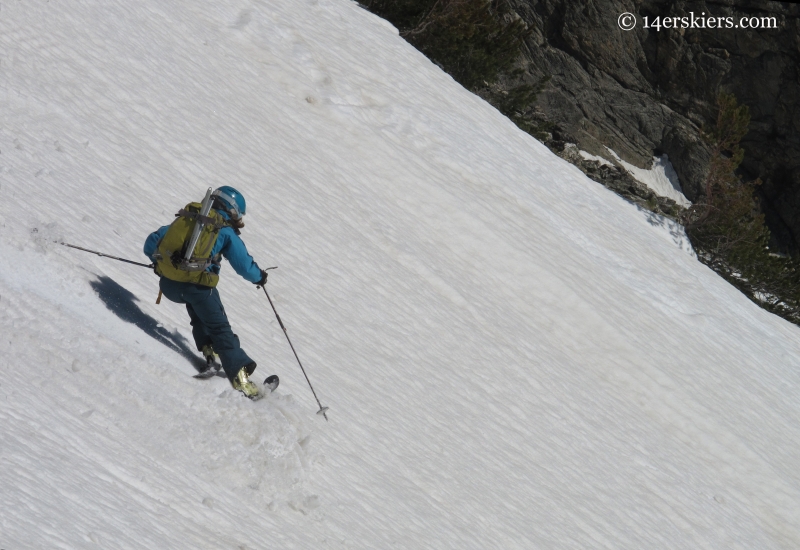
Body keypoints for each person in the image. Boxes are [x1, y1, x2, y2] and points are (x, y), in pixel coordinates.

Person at [143, 186, 268, 398]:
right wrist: (260, 277)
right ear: (231, 210)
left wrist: (159, 264)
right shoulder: (224, 230)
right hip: (197, 288)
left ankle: (210, 352)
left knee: (199, 308)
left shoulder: (188, 218)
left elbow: (151, 243)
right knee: (220, 327)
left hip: (169, 286)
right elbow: (244, 265)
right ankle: (242, 380)